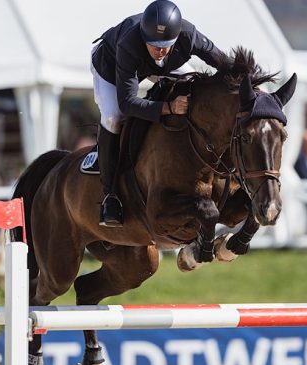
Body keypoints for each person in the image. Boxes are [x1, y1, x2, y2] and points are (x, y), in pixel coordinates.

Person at [91, 0, 227, 227]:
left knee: (196, 84)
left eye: (165, 44)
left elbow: (225, 63)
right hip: (110, 66)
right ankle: (110, 196)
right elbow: (127, 103)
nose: (159, 50)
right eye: (153, 44)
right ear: (144, 36)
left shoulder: (189, 35)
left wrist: (251, 85)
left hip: (158, 67)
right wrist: (169, 107)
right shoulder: (129, 44)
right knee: (114, 118)